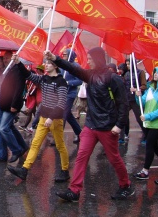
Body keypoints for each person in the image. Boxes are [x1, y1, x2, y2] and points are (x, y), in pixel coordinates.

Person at [46, 47, 135, 202]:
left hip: (107, 127)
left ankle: (125, 185)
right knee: (81, 156)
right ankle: (74, 190)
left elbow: (123, 103)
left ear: (98, 59)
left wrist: (119, 125)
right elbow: (72, 68)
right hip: (91, 124)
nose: (87, 61)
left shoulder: (113, 78)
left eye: (90, 59)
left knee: (114, 158)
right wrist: (55, 59)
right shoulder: (90, 75)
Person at [7, 55, 70, 183]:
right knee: (35, 144)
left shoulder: (61, 81)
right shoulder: (44, 79)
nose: (45, 65)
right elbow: (29, 76)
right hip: (43, 118)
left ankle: (65, 170)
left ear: (55, 66)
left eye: (48, 63)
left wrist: (51, 118)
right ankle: (24, 169)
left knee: (60, 146)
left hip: (55, 120)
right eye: (45, 63)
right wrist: (18, 63)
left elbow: (61, 103)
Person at [132, 67, 158, 180]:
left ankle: (145, 171)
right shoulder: (151, 88)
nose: (155, 74)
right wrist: (138, 96)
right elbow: (143, 102)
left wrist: (148, 116)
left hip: (157, 123)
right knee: (154, 145)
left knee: (149, 144)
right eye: (155, 72)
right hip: (147, 122)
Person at [0, 50, 29, 163]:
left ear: (13, 58)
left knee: (3, 128)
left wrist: (14, 105)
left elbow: (19, 88)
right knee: (10, 127)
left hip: (11, 104)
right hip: (3, 103)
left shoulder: (17, 70)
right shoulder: (6, 70)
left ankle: (16, 150)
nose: (5, 60)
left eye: (7, 58)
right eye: (4, 58)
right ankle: (23, 146)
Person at [118, 59, 147, 144]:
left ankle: (146, 135)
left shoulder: (140, 72)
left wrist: (136, 89)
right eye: (127, 64)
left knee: (140, 118)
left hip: (136, 99)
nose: (127, 66)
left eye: (129, 64)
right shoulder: (126, 74)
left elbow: (144, 86)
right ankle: (121, 137)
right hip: (127, 99)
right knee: (122, 117)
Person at [59, 49, 84, 144]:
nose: (63, 55)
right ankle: (80, 133)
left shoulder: (75, 66)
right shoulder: (62, 65)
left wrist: (68, 83)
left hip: (70, 94)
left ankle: (58, 137)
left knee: (63, 115)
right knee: (68, 115)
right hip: (62, 93)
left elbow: (80, 81)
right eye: (63, 54)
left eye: (65, 54)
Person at [19, 64, 43, 134]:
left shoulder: (42, 78)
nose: (37, 70)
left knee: (34, 112)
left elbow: (40, 87)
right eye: (36, 69)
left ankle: (30, 126)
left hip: (38, 98)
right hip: (34, 97)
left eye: (38, 69)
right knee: (35, 113)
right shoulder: (35, 77)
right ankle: (36, 125)